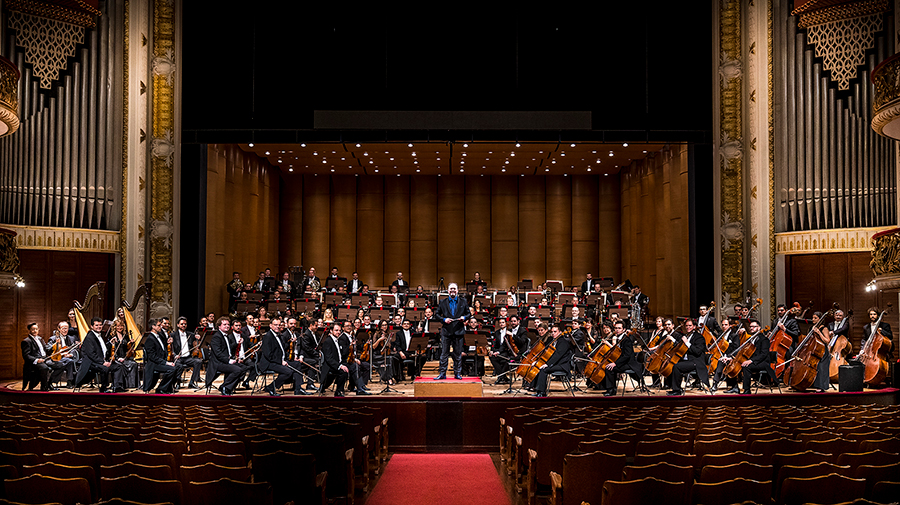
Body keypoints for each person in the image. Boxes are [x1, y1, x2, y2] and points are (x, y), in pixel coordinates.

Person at [258, 317, 308, 396]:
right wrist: (281, 362)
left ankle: (298, 389)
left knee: (297, 364)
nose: (277, 326)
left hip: (278, 360)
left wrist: (292, 357)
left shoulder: (278, 335)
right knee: (288, 372)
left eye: (279, 325)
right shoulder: (268, 336)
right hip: (269, 363)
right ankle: (270, 387)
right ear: (270, 326)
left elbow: (282, 350)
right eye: (275, 325)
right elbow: (268, 355)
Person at [434, 282, 469, 380]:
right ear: (448, 291)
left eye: (454, 289)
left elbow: (468, 314)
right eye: (451, 289)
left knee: (457, 354)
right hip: (446, 331)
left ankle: (457, 373)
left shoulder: (463, 301)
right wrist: (444, 319)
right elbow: (437, 315)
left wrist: (464, 317)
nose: (453, 291)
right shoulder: (442, 302)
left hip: (458, 331)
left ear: (457, 291)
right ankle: (442, 373)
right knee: (444, 354)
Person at [601, 321, 645, 396]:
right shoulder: (620, 338)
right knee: (609, 366)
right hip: (624, 362)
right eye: (616, 328)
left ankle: (611, 390)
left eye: (619, 328)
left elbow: (626, 356)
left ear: (624, 329)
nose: (617, 330)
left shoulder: (626, 340)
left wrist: (615, 363)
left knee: (609, 368)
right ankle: (612, 389)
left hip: (629, 363)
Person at [668, 319, 711, 395]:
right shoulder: (686, 336)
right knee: (671, 364)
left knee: (677, 367)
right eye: (686, 326)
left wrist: (687, 343)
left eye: (690, 325)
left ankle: (677, 391)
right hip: (686, 360)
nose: (688, 327)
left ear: (694, 327)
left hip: (695, 362)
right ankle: (673, 387)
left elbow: (697, 352)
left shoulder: (699, 338)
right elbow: (680, 347)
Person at [21, 323, 69, 391]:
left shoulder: (40, 339)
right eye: (33, 329)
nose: (35, 331)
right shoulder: (26, 341)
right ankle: (44, 387)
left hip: (44, 360)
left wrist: (55, 345)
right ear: (29, 330)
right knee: (44, 368)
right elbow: (26, 356)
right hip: (34, 362)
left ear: (38, 330)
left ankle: (49, 383)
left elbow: (47, 350)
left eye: (36, 329)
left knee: (61, 365)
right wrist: (37, 360)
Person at [208, 317, 249, 396]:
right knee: (237, 370)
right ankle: (225, 387)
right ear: (219, 326)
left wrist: (237, 343)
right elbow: (218, 353)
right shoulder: (217, 337)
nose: (227, 326)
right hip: (218, 363)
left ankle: (227, 387)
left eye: (228, 324)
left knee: (243, 368)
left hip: (225, 361)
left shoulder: (226, 336)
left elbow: (229, 349)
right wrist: (229, 361)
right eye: (224, 324)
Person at [533, 324, 576, 397]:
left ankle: (542, 392)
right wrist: (538, 361)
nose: (553, 333)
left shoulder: (563, 342)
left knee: (543, 369)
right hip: (556, 363)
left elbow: (557, 355)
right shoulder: (553, 340)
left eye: (555, 331)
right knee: (539, 367)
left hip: (562, 365)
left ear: (560, 332)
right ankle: (537, 390)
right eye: (552, 332)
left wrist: (548, 364)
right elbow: (546, 353)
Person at [75, 317, 116, 392]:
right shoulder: (90, 337)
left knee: (117, 366)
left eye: (100, 325)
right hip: (90, 362)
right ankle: (103, 389)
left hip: (98, 360)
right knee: (104, 369)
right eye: (96, 325)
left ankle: (116, 386)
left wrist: (110, 343)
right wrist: (103, 362)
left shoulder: (100, 335)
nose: (99, 327)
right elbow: (91, 354)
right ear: (91, 326)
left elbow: (102, 349)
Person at [142, 318, 181, 394]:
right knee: (172, 369)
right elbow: (152, 357)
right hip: (153, 364)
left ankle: (168, 388)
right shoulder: (150, 339)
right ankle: (161, 389)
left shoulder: (159, 336)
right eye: (159, 325)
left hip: (159, 362)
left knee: (178, 366)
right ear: (153, 326)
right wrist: (166, 363)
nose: (161, 327)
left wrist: (167, 344)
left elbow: (162, 350)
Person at [739, 319, 775, 394]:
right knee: (737, 364)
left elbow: (763, 354)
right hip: (754, 361)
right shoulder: (750, 339)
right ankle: (735, 387)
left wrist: (751, 361)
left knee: (746, 366)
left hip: (763, 363)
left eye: (754, 327)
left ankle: (747, 390)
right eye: (750, 327)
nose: (751, 328)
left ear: (759, 328)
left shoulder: (764, 339)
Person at [711, 317, 745, 393]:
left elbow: (736, 349)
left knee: (722, 364)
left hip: (732, 357)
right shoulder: (720, 335)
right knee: (719, 362)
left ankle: (716, 384)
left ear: (730, 326)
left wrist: (728, 357)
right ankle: (732, 386)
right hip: (722, 356)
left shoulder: (734, 336)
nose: (723, 326)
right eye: (722, 325)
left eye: (726, 325)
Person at [172, 316, 203, 389]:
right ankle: (178, 382)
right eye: (182, 324)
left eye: (185, 324)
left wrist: (198, 337)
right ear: (177, 325)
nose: (183, 325)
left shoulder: (190, 334)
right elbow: (171, 347)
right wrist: (175, 355)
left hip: (188, 358)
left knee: (198, 361)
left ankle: (192, 382)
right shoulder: (173, 335)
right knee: (178, 365)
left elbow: (197, 340)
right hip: (178, 358)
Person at [319, 323, 350, 397]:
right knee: (343, 371)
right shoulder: (328, 341)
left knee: (351, 367)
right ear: (331, 330)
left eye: (339, 330)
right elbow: (329, 359)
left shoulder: (337, 340)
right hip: (329, 366)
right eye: (336, 330)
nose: (338, 332)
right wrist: (340, 366)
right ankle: (339, 391)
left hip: (337, 363)